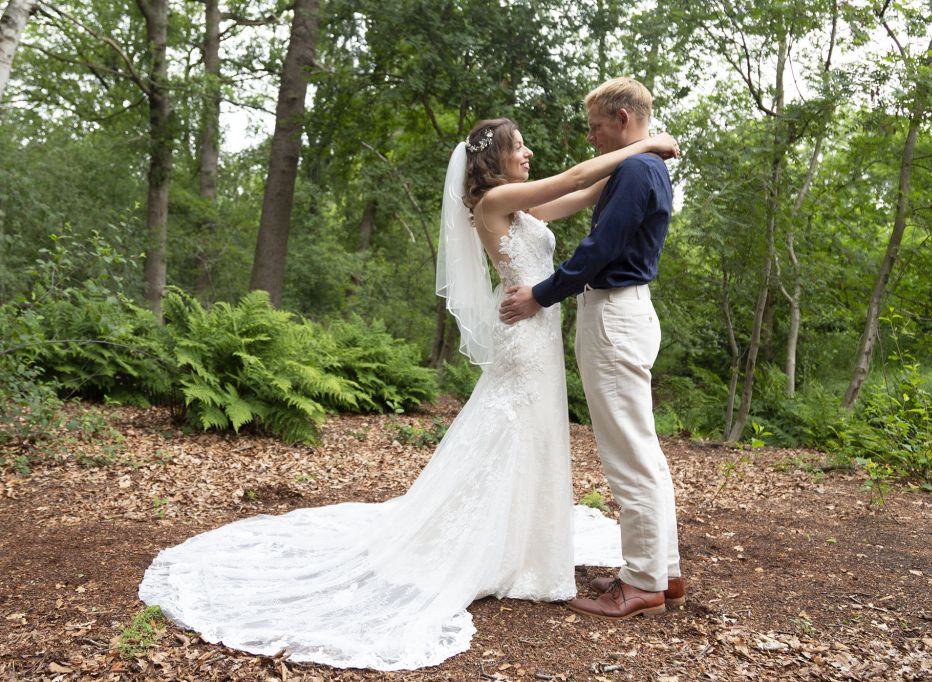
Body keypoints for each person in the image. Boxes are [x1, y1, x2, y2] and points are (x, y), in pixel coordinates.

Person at [138, 117, 680, 670]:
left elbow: (588, 189)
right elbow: (579, 173)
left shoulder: (522, 209)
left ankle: (527, 547)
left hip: (539, 336)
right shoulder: (495, 202)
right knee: (509, 432)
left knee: (534, 438)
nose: (530, 152)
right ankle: (489, 546)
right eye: (520, 146)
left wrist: (646, 168)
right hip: (524, 337)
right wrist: (648, 145)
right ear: (496, 159)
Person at [500, 77, 684, 620]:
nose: (592, 137)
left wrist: (540, 294)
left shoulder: (634, 168)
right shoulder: (645, 167)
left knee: (629, 454)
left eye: (597, 127)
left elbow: (600, 248)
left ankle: (644, 582)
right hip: (624, 312)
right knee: (641, 449)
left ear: (624, 119)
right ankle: (660, 571)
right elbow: (578, 200)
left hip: (615, 315)